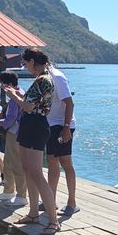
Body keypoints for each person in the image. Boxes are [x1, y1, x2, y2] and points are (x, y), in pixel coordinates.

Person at [2, 50, 61, 235]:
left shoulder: (43, 80)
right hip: (29, 125)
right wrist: (15, 95)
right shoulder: (42, 79)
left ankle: (53, 220)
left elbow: (28, 106)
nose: (25, 67)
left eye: (25, 64)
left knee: (36, 173)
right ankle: (34, 213)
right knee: (27, 170)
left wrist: (12, 95)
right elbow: (29, 105)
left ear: (33, 61)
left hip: (36, 126)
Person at [45, 57, 80, 214]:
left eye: (26, 64)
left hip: (62, 125)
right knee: (52, 161)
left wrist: (66, 128)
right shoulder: (45, 78)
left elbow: (69, 102)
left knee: (66, 162)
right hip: (51, 125)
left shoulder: (57, 77)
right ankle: (50, 200)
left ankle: (72, 202)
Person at [0, 71, 31, 206]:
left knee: (17, 164)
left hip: (16, 133)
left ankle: (21, 196)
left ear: (8, 84)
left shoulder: (15, 96)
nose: (1, 87)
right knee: (8, 162)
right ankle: (8, 191)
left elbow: (11, 118)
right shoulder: (18, 92)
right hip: (13, 133)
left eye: (2, 84)